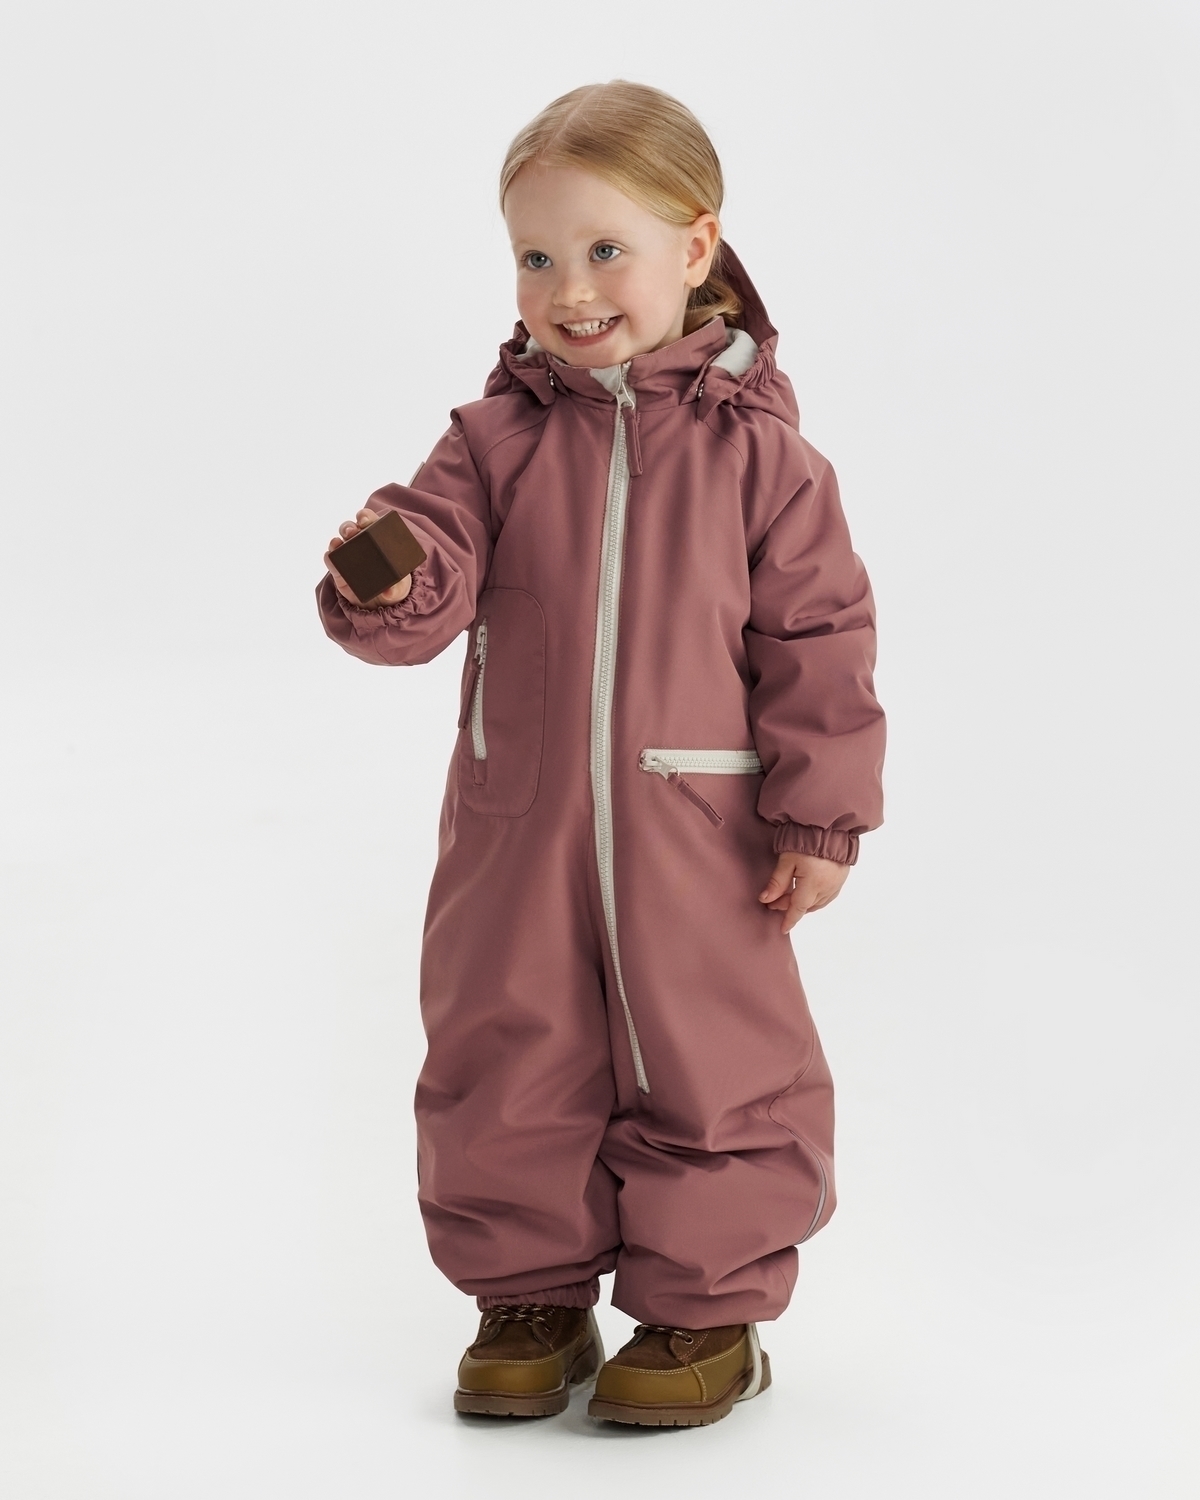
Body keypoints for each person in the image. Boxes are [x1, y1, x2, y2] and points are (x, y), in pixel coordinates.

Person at [317, 81, 885, 1428]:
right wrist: (385, 570)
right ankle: (530, 1294)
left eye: (604, 249)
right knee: (507, 1046)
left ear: (696, 246)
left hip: (703, 833)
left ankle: (707, 1309)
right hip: (516, 833)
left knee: (714, 1055)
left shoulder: (766, 461)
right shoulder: (490, 445)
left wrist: (820, 818)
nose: (568, 290)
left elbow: (819, 640)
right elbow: (428, 579)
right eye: (536, 256)